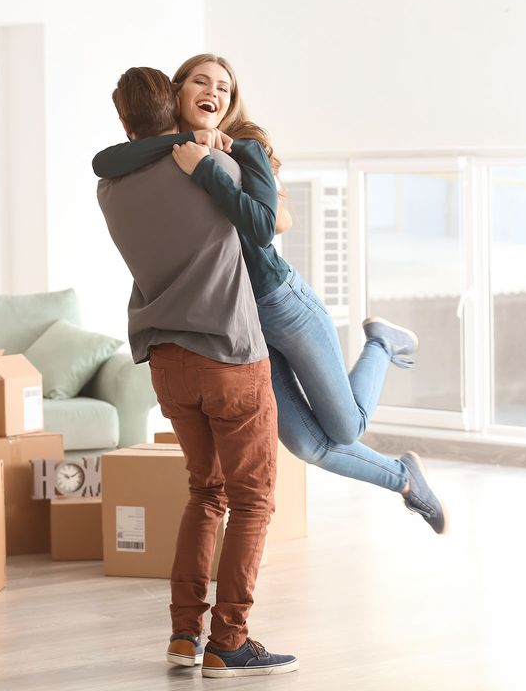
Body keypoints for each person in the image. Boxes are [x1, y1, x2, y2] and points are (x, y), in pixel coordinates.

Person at [93, 54, 448, 534]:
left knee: (346, 429)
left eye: (224, 87)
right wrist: (186, 141)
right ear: (177, 92)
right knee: (307, 445)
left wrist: (207, 170)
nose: (213, 92)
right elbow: (104, 161)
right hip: (236, 326)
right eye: (201, 82)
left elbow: (264, 228)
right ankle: (406, 480)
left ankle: (381, 342)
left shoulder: (244, 148)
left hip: (280, 302)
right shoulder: (165, 153)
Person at [96, 66, 299, 679]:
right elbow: (272, 222)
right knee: (254, 501)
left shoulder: (110, 190)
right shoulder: (216, 170)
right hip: (230, 355)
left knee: (204, 493)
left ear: (126, 121)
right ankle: (229, 641)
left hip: (167, 363)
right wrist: (234, 151)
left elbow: (112, 159)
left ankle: (185, 634)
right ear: (175, 107)